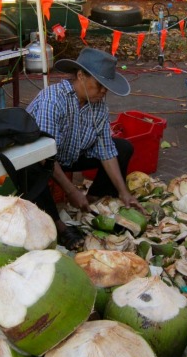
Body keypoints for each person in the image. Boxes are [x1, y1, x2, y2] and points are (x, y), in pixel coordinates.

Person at [26, 48, 144, 250]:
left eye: (106, 87)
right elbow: (45, 154)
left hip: (72, 156)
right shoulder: (53, 100)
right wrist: (71, 191)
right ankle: (60, 226)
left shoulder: (98, 106)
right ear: (80, 76)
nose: (104, 91)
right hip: (45, 160)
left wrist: (124, 192)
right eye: (100, 85)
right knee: (32, 168)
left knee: (122, 148)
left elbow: (107, 150)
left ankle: (94, 200)